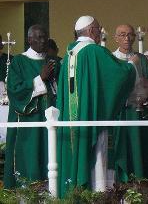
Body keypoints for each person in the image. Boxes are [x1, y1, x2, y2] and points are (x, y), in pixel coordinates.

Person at [56, 16, 138, 197]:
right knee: (97, 157)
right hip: (92, 118)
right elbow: (118, 75)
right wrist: (132, 65)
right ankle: (98, 194)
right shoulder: (94, 51)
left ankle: (74, 193)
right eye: (99, 29)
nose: (100, 33)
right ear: (92, 30)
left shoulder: (70, 53)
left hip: (71, 121)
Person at [4, 25, 59, 187]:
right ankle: (27, 192)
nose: (43, 41)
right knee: (30, 155)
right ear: (29, 40)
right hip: (29, 119)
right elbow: (14, 90)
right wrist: (40, 78)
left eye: (45, 37)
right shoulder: (19, 61)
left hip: (51, 115)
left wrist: (52, 81)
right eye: (39, 37)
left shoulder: (54, 61)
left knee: (50, 153)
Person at [113, 24, 148, 182]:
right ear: (115, 38)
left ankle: (142, 184)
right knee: (123, 150)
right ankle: (122, 184)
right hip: (121, 112)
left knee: (141, 151)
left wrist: (146, 92)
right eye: (122, 35)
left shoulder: (142, 59)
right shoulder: (111, 59)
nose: (127, 38)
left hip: (139, 112)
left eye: (130, 35)